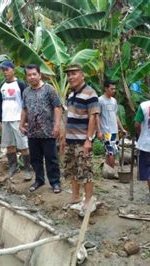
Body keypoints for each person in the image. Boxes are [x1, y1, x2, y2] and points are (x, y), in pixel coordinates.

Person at [63, 63, 100, 216]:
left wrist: (89, 140)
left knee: (86, 170)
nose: (71, 77)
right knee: (72, 169)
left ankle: (88, 200)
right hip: (70, 139)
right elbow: (68, 116)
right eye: (69, 74)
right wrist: (64, 136)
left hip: (82, 140)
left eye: (74, 73)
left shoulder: (90, 93)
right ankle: (75, 196)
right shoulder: (71, 94)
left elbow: (93, 116)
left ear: (82, 75)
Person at [20, 64, 62, 193]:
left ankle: (55, 182)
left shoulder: (49, 89)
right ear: (26, 77)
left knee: (51, 159)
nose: (32, 77)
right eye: (29, 75)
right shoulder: (26, 92)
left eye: (34, 74)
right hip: (32, 132)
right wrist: (21, 124)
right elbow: (24, 109)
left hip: (48, 131)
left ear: (39, 75)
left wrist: (56, 125)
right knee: (35, 159)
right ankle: (39, 180)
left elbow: (57, 107)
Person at [0, 61, 32, 179]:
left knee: (23, 146)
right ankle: (13, 167)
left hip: (18, 119)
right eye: (3, 70)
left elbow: (27, 103)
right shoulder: (2, 85)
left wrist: (26, 120)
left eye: (7, 69)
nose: (5, 72)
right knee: (9, 145)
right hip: (6, 120)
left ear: (13, 70)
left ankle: (27, 169)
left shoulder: (21, 85)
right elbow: (1, 103)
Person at [96, 80, 127, 169]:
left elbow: (115, 115)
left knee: (111, 151)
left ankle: (107, 170)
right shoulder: (100, 100)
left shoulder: (114, 101)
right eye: (111, 89)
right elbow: (97, 116)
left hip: (114, 130)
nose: (113, 91)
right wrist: (99, 131)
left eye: (114, 89)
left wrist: (121, 129)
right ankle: (113, 170)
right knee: (110, 152)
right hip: (106, 130)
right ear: (106, 88)